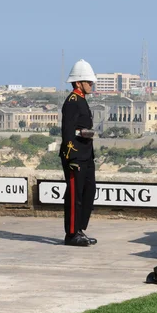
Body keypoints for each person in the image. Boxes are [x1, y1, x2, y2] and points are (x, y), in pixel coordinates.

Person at [59, 59, 98, 247]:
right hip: (75, 156)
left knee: (89, 192)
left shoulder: (82, 100)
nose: (92, 85)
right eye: (88, 81)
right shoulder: (73, 101)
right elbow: (67, 131)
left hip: (86, 154)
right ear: (78, 83)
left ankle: (80, 229)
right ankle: (72, 233)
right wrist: (71, 156)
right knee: (75, 195)